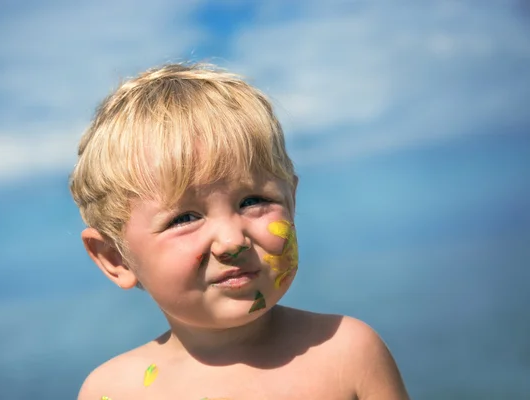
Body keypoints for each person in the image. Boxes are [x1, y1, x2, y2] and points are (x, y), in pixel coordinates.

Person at [69, 62, 409, 400]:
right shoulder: (112, 390)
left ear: (291, 201)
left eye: (253, 200)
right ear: (116, 258)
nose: (232, 241)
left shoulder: (347, 353)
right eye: (184, 218)